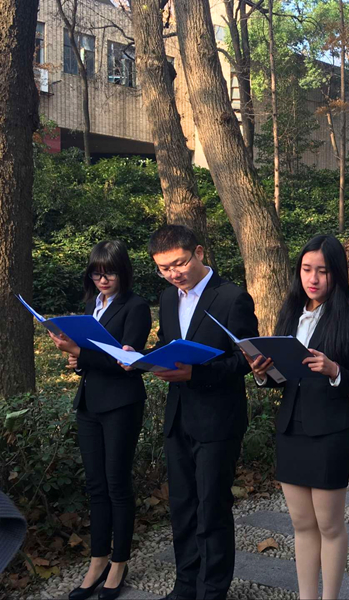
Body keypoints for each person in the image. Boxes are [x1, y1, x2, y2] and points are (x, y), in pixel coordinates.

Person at [123, 225, 258, 600]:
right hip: (178, 416)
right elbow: (168, 344)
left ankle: (212, 590)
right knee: (182, 507)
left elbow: (246, 361)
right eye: (163, 268)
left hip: (218, 419)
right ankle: (185, 586)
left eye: (179, 263)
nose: (173, 273)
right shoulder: (168, 298)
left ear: (198, 252)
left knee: (212, 508)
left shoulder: (232, 298)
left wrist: (196, 374)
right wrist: (140, 357)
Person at [245, 235, 349, 600]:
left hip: (329, 431)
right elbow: (281, 377)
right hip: (291, 428)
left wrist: (334, 370)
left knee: (329, 525)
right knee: (301, 523)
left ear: (337, 274)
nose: (312, 279)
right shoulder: (289, 313)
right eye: (306, 269)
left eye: (322, 271)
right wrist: (262, 373)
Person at [49, 240, 152, 600]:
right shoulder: (92, 306)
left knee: (116, 484)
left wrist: (79, 352)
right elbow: (93, 360)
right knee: (95, 486)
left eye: (109, 273)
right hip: (89, 404)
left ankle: (119, 563)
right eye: (96, 273)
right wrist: (78, 361)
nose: (102, 280)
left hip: (121, 403)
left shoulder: (136, 307)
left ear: (123, 271)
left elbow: (126, 362)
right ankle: (98, 560)